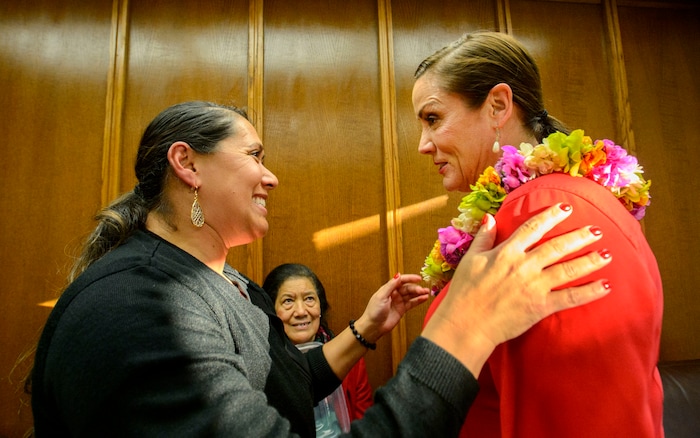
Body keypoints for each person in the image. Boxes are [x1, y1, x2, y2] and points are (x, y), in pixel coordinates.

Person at [29, 100, 613, 437]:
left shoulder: (227, 283)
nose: (271, 176)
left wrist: (366, 329)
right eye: (255, 155)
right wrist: (465, 330)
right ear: (187, 164)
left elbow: (286, 383)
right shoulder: (140, 309)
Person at [413, 31, 663, 437]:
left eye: (433, 118)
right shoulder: (557, 199)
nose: (423, 144)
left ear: (497, 106)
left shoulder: (542, 214)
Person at [263, 263, 373, 422]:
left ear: (320, 307)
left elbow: (365, 425)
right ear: (272, 311)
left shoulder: (351, 359)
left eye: (309, 299)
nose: (301, 311)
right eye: (288, 301)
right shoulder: (262, 364)